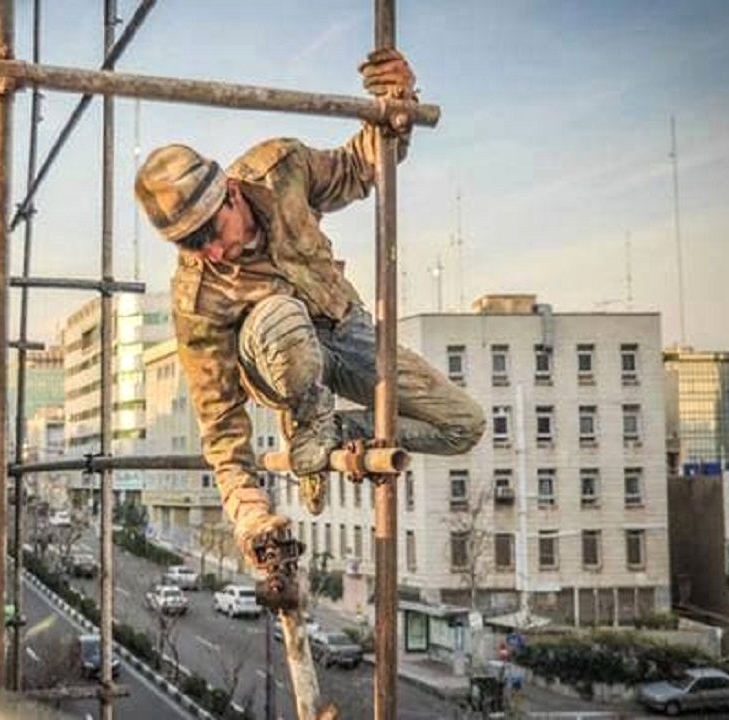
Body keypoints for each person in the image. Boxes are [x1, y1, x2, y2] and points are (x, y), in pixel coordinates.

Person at [133, 49, 485, 570]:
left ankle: (326, 433)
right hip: (276, 358)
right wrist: (251, 516)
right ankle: (306, 413)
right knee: (279, 314)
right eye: (190, 245)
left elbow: (358, 169)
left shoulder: (281, 169)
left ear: (231, 193)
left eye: (211, 232)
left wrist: (398, 105)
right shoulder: (198, 299)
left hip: (345, 329)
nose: (210, 252)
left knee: (463, 425)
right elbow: (221, 426)